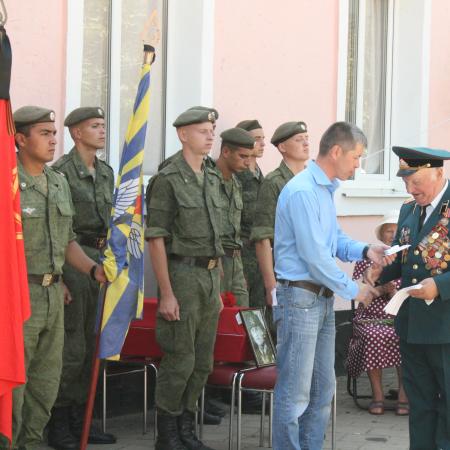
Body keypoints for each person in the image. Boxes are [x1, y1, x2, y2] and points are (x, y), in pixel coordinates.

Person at [272, 121, 392, 450]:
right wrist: (354, 289)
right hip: (299, 298)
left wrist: (367, 249)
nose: (358, 165)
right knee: (294, 392)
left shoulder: (324, 189)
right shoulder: (302, 191)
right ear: (336, 151)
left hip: (319, 300)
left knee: (323, 389)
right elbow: (314, 256)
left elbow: (333, 240)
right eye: (356, 157)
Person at [1, 106, 107, 450]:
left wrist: (93, 269)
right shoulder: (8, 182)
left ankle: (31, 443)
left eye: (53, 134)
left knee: (45, 386)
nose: (52, 141)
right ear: (20, 139)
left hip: (52, 295)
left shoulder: (57, 181)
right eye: (44, 134)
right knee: (14, 388)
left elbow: (66, 240)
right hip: (18, 297)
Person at [145, 107, 222, 450]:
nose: (210, 136)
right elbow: (156, 237)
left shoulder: (212, 175)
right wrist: (166, 293)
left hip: (208, 277)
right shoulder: (168, 178)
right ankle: (168, 434)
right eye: (203, 130)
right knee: (180, 359)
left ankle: (186, 427)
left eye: (212, 130)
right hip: (182, 276)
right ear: (183, 135)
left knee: (203, 361)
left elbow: (217, 237)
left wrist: (217, 285)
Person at [369, 146, 450, 450]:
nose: (411, 189)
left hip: (445, 327)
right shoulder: (408, 210)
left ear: (439, 173)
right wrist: (380, 272)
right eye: (406, 183)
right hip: (412, 326)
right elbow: (404, 260)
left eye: (416, 182)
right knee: (420, 404)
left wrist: (440, 286)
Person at [48, 107, 116, 448]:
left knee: (95, 345)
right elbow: (58, 231)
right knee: (72, 347)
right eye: (94, 126)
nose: (102, 131)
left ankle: (82, 419)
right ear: (76, 133)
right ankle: (58, 422)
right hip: (75, 262)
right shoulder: (61, 173)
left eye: (104, 125)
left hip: (103, 262)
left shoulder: (106, 172)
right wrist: (59, 278)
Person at [347, 210, 409, 416]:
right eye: (388, 231)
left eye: (396, 231)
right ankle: (378, 396)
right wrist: (380, 289)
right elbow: (358, 294)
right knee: (374, 336)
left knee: (404, 335)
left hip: (398, 316)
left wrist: (393, 293)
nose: (392, 235)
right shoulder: (366, 261)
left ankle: (403, 395)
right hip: (369, 317)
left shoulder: (406, 261)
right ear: (381, 236)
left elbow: (410, 295)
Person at [251, 121, 310, 307]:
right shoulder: (273, 183)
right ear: (282, 147)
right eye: (299, 139)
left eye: (307, 139)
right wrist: (271, 287)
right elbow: (262, 238)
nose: (306, 143)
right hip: (286, 275)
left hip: (313, 274)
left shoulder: (313, 180)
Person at [215, 127, 255, 306]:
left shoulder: (236, 184)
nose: (248, 162)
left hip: (235, 263)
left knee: (242, 319)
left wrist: (239, 270)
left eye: (250, 157)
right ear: (225, 152)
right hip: (216, 262)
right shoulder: (209, 182)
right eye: (243, 156)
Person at [236, 119, 265, 308]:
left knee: (260, 309)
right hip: (242, 254)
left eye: (263, 138)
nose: (262, 144)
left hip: (260, 253)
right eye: (257, 139)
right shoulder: (237, 175)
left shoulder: (261, 175)